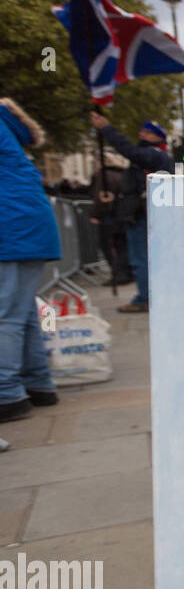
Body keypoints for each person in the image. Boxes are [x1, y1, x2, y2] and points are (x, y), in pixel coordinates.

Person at [0, 98, 61, 422]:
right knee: (20, 312)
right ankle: (38, 384)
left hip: (10, 229)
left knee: (6, 315)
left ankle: (6, 393)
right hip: (27, 226)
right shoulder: (9, 132)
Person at [89, 111, 172, 313]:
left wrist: (106, 129)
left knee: (140, 259)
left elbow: (129, 151)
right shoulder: (153, 157)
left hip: (143, 215)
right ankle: (151, 296)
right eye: (142, 131)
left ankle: (144, 298)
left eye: (148, 132)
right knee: (144, 258)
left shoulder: (153, 155)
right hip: (141, 212)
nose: (142, 134)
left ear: (158, 137)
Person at [88, 164, 133, 285]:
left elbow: (101, 196)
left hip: (110, 215)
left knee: (108, 245)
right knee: (122, 246)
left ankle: (119, 273)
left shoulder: (105, 176)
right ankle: (124, 272)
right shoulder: (122, 174)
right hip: (122, 214)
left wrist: (95, 213)